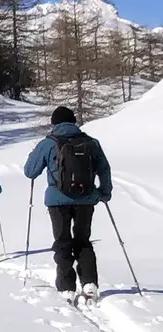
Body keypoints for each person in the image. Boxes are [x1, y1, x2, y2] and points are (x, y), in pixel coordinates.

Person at [22, 106, 114, 305]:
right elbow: (104, 169)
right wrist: (104, 193)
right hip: (87, 199)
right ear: (73, 122)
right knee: (83, 240)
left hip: (57, 200)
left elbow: (30, 172)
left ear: (54, 123)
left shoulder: (48, 143)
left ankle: (66, 288)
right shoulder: (91, 142)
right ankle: (89, 283)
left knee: (63, 242)